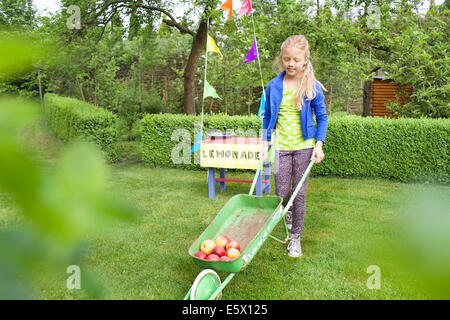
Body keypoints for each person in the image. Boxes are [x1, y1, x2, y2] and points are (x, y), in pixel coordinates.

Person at [261, 35, 328, 258]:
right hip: (280, 147)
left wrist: (318, 145)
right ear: (281, 59)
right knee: (281, 193)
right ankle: (287, 215)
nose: (291, 63)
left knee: (298, 194)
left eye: (296, 60)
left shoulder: (312, 86)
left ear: (305, 60)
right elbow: (268, 116)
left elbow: (322, 117)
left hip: (304, 147)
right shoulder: (273, 85)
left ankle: (295, 238)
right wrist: (265, 141)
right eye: (287, 59)